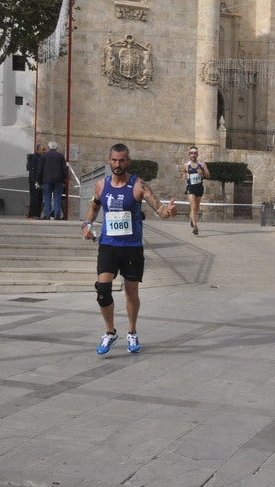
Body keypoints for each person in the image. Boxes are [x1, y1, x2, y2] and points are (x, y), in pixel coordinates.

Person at [81, 143, 178, 355]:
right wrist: (86, 225)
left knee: (131, 292)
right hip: (108, 245)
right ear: (109, 160)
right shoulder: (101, 185)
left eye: (122, 160)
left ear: (128, 162)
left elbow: (159, 210)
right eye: (114, 160)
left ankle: (132, 331)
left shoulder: (138, 185)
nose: (118, 164)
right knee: (103, 290)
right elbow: (93, 207)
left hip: (132, 247)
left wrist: (168, 211)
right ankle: (110, 332)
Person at [183, 146, 210, 235]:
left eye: (195, 153)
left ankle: (192, 218)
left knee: (196, 207)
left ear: (197, 154)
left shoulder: (202, 164)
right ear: (189, 154)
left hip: (199, 187)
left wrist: (202, 172)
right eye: (191, 153)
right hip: (190, 187)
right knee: (193, 206)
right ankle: (195, 226)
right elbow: (184, 172)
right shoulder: (186, 165)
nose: (193, 155)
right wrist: (184, 175)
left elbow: (208, 175)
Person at [38, 141, 66, 220]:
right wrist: (64, 180)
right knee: (57, 197)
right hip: (58, 180)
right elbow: (64, 170)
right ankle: (57, 215)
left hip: (46, 180)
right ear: (56, 147)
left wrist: (39, 181)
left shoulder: (44, 156)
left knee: (47, 197)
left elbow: (40, 169)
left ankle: (47, 215)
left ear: (49, 147)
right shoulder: (60, 156)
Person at [27, 143, 46, 219]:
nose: (44, 151)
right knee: (34, 198)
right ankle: (32, 215)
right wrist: (36, 181)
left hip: (39, 182)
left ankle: (37, 214)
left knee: (39, 198)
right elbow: (34, 171)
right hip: (35, 182)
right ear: (38, 150)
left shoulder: (40, 158)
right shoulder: (35, 159)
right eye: (43, 149)